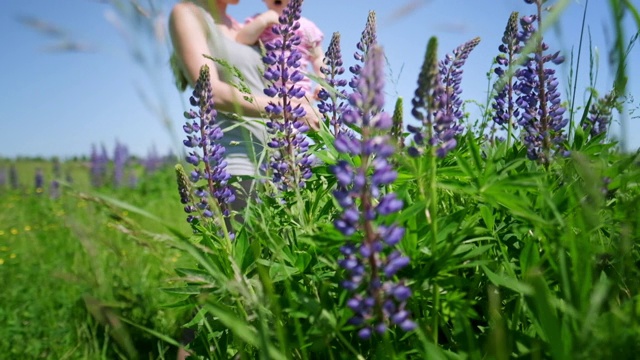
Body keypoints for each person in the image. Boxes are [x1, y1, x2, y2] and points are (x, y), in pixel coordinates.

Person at [169, 0, 320, 179]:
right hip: (239, 162)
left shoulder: (243, 27)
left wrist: (303, 99)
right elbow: (211, 94)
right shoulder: (189, 14)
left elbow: (272, 84)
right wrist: (290, 109)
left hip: (280, 161)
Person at [236, 0, 324, 98]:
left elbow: (317, 57)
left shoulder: (307, 26)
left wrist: (322, 81)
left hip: (298, 91)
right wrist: (263, 20)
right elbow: (241, 40)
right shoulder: (259, 20)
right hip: (266, 89)